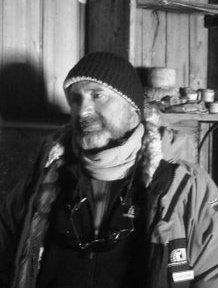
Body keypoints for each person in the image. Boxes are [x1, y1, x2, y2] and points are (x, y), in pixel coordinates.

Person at [0, 51, 218, 288]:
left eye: (97, 96)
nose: (83, 110)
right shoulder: (42, 180)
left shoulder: (186, 187)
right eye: (75, 99)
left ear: (132, 108)